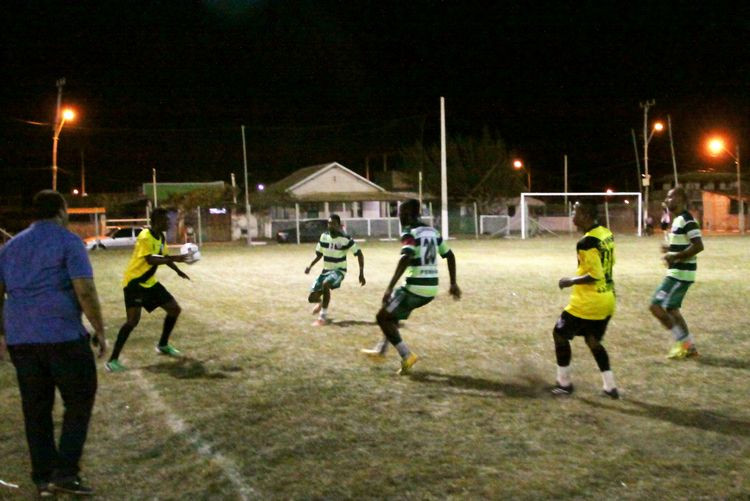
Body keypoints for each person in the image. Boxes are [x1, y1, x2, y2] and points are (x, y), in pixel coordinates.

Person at [0, 190, 107, 497]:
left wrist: (2, 335)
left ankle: (43, 477)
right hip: (61, 338)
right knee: (79, 401)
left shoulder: (10, 247)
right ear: (62, 210)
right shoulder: (68, 241)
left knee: (36, 409)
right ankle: (66, 471)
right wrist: (99, 330)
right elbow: (84, 290)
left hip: (22, 341)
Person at [361, 199, 460, 374]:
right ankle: (381, 349)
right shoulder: (433, 232)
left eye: (399, 214)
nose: (398, 217)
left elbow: (405, 257)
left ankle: (407, 356)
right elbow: (450, 255)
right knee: (391, 311)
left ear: (407, 215)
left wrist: (389, 287)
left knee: (382, 317)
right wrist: (453, 283)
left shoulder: (410, 232)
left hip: (415, 287)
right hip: (430, 289)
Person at [106, 207, 190, 372]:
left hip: (149, 283)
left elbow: (163, 256)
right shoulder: (145, 236)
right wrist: (175, 259)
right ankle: (112, 360)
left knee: (174, 309)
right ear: (157, 221)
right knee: (132, 321)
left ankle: (163, 345)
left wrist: (178, 270)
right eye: (166, 220)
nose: (169, 222)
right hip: (135, 283)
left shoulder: (161, 237)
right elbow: (151, 259)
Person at [552, 200, 619, 398]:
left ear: (586, 215)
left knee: (559, 334)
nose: (573, 214)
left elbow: (595, 274)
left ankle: (564, 384)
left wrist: (570, 281)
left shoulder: (586, 242)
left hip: (588, 302)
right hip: (607, 298)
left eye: (575, 211)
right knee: (593, 341)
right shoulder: (606, 233)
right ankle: (610, 386)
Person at [649, 186, 704, 359]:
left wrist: (675, 257)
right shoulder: (678, 220)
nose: (666, 199)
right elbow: (684, 243)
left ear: (680, 199)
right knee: (672, 309)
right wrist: (670, 248)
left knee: (655, 306)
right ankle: (690, 347)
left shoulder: (688, 220)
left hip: (680, 274)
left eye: (670, 197)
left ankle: (682, 343)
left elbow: (698, 245)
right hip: (678, 272)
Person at [304, 214, 365, 326]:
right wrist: (310, 266)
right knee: (312, 298)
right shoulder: (324, 237)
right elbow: (319, 255)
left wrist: (361, 273)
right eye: (329, 223)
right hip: (326, 271)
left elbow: (359, 254)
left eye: (333, 224)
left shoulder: (345, 239)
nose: (330, 226)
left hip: (339, 271)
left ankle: (322, 317)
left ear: (338, 225)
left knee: (326, 283)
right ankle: (322, 303)